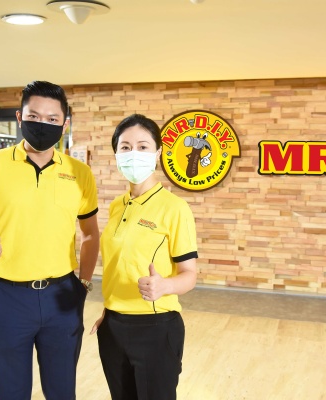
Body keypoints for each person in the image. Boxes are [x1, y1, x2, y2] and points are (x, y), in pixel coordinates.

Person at [0, 80, 99, 400]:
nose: (42, 124)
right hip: (6, 298)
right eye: (34, 116)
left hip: (62, 296)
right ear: (20, 118)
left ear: (64, 124)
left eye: (52, 119)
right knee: (11, 392)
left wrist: (84, 284)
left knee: (62, 391)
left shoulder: (80, 173)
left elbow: (91, 233)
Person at [90, 114, 198, 400]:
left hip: (156, 328)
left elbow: (190, 274)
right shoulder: (117, 206)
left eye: (142, 146)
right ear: (116, 154)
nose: (133, 153)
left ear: (158, 152)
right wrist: (110, 312)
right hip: (113, 328)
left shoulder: (175, 208)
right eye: (125, 147)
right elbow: (118, 265)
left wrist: (165, 286)